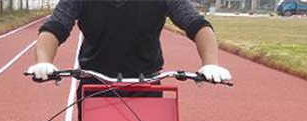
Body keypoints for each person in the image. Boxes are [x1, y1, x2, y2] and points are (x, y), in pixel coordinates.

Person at [26, 0, 232, 100]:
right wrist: (44, 60)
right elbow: (55, 27)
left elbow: (196, 24)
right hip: (95, 87)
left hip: (147, 86)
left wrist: (210, 63)